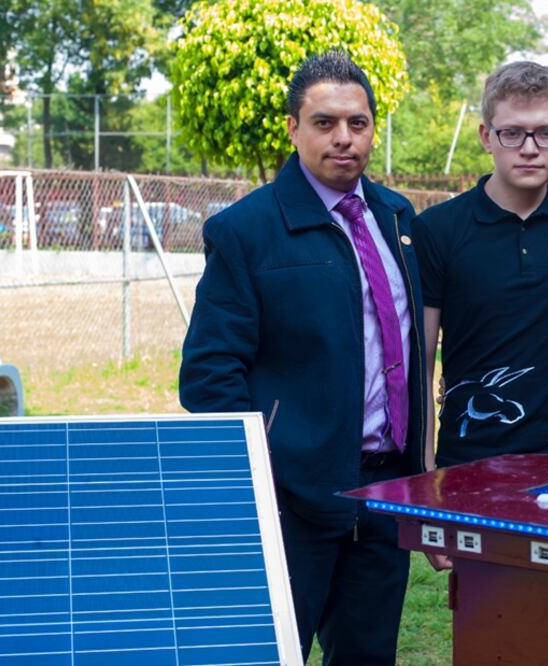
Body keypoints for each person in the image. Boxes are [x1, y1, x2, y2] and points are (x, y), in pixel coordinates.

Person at [178, 51, 427, 666]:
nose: (344, 138)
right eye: (324, 122)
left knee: (369, 658)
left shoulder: (398, 217)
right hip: (291, 501)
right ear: (293, 127)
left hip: (383, 493)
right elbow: (210, 377)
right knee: (270, 653)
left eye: (358, 123)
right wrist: (265, 479)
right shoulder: (247, 230)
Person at [412, 61, 548, 471]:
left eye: (546, 133)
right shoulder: (436, 229)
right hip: (467, 463)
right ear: (486, 137)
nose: (529, 148)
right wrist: (424, 466)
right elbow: (420, 361)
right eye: (512, 133)